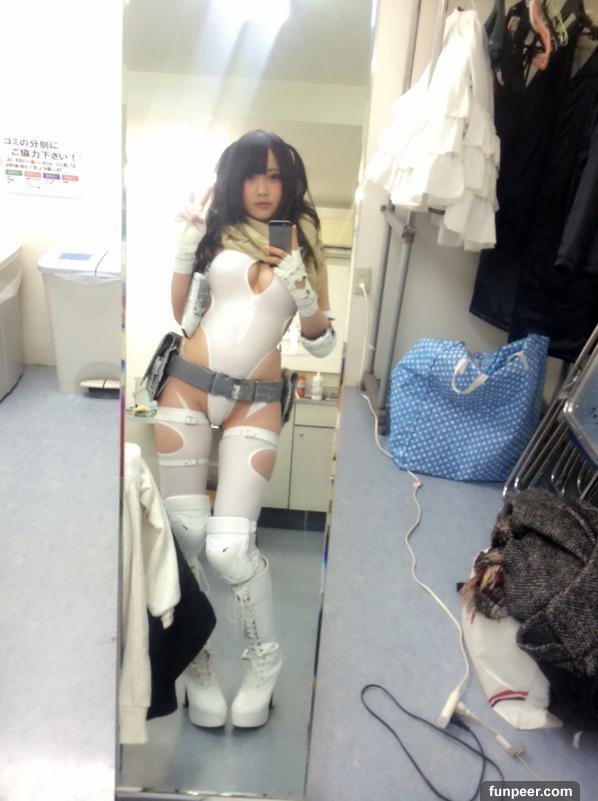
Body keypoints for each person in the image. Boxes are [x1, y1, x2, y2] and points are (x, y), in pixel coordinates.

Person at [153, 129, 336, 729]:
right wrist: (186, 244)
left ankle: (264, 665)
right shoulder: (217, 231)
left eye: (275, 175)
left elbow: (322, 340)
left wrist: (303, 291)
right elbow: (183, 317)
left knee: (230, 548)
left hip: (255, 401)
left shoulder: (303, 240)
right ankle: (197, 663)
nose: (262, 187)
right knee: (185, 539)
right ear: (235, 180)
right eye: (252, 174)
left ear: (289, 181)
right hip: (186, 387)